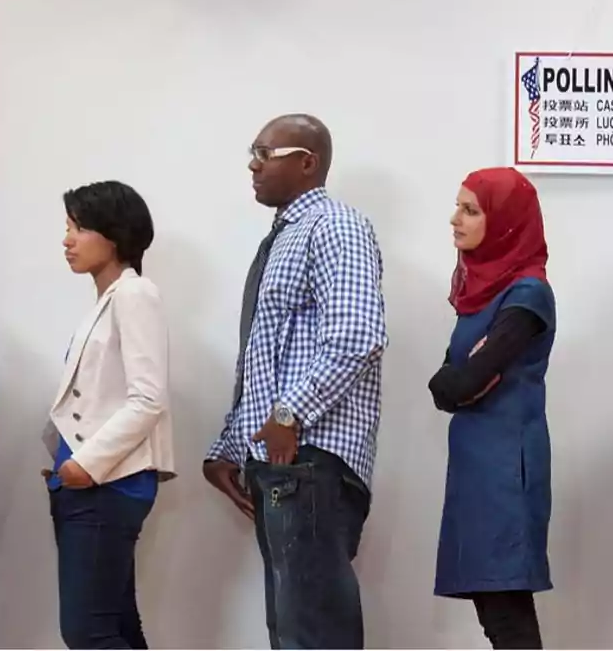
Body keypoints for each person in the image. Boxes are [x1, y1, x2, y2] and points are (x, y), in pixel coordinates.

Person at [202, 114, 387, 649]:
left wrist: (288, 415)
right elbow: (265, 356)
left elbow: (357, 336)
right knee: (292, 633)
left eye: (264, 152)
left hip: (311, 461)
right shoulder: (284, 238)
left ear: (307, 162)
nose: (253, 165)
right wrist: (228, 447)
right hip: (281, 464)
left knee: (314, 635)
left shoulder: (335, 226)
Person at [429, 167, 556, 650]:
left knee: (507, 611)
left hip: (506, 465)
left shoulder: (527, 294)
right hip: (478, 462)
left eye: (471, 210)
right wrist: (459, 382)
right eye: (458, 207)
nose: (455, 219)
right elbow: (445, 386)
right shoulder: (476, 295)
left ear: (504, 221)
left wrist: (463, 380)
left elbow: (466, 378)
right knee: (493, 607)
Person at [44, 180, 175, 648]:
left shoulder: (134, 295)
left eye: (77, 228)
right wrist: (63, 454)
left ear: (114, 235)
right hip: (91, 481)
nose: (67, 240)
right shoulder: (106, 301)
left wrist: (84, 463)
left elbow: (147, 398)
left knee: (87, 632)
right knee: (115, 626)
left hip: (106, 483)